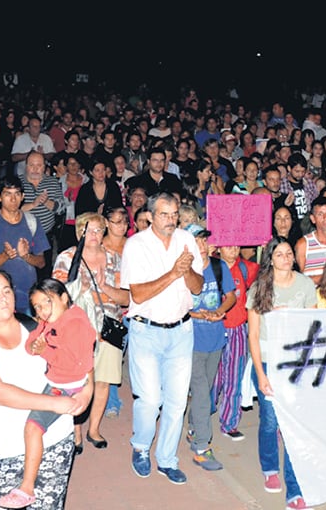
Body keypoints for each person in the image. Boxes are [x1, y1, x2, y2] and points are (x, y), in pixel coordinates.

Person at [120, 191, 204, 485]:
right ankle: (141, 447)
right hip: (146, 331)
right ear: (150, 216)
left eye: (174, 214)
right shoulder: (136, 245)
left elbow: (197, 287)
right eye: (164, 214)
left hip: (181, 331)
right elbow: (138, 294)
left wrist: (186, 271)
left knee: (177, 402)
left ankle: (167, 459)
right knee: (150, 399)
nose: (171, 220)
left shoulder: (187, 239)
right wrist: (173, 272)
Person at [0, 271, 92, 509]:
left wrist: (86, 391)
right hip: (6, 448)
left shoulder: (36, 326)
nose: (2, 298)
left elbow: (81, 356)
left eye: (6, 291)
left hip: (55, 439)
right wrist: (54, 403)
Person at [52, 212, 129, 452]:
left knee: (103, 381)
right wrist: (79, 287)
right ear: (79, 233)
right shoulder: (67, 258)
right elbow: (54, 298)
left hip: (108, 327)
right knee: (79, 382)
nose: (94, 235)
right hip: (77, 330)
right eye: (89, 230)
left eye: (98, 230)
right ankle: (76, 431)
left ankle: (94, 429)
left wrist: (105, 288)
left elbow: (126, 298)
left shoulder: (115, 259)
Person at [247, 237, 314, 509]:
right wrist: (260, 374)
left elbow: (313, 325)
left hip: (295, 363)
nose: (285, 258)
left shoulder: (305, 284)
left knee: (292, 427)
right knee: (271, 420)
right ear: (270, 259)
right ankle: (270, 467)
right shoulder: (259, 288)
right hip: (267, 362)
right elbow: (253, 335)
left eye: (289, 254)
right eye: (279, 254)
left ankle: (295, 490)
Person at [185, 225, 237, 472]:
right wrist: (198, 314)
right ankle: (202, 447)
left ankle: (194, 427)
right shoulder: (184, 271)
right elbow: (176, 305)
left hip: (215, 338)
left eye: (204, 240)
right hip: (191, 341)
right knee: (201, 392)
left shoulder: (218, 267)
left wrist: (219, 311)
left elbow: (231, 296)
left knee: (206, 390)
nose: (202, 246)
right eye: (196, 241)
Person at [212, 244, 259, 441]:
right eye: (228, 246)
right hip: (214, 328)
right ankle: (201, 416)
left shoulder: (246, 268)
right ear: (218, 248)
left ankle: (229, 422)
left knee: (234, 376)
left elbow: (264, 278)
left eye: (236, 246)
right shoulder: (211, 266)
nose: (233, 250)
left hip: (238, 328)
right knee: (213, 377)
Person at [0, 177, 49, 315]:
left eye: (17, 194)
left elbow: (42, 263)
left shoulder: (32, 221)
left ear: (23, 196)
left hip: (28, 298)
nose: (13, 199)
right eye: (7, 194)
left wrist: (26, 256)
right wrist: (5, 256)